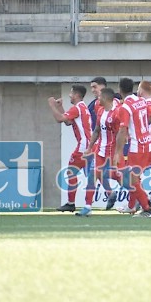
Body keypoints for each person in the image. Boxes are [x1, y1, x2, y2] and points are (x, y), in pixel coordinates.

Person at [114, 78, 151, 218]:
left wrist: (118, 152)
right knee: (134, 178)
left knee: (132, 180)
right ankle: (136, 206)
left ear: (119, 90)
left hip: (137, 146)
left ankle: (147, 209)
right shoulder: (141, 101)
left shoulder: (125, 107)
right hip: (147, 144)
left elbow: (123, 130)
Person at [48, 85, 92, 213]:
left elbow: (59, 119)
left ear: (77, 95)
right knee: (92, 175)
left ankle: (71, 203)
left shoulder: (77, 108)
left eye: (71, 93)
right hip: (88, 145)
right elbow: (68, 122)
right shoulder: (82, 107)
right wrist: (59, 107)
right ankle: (78, 203)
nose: (69, 95)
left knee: (72, 172)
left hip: (83, 147)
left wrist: (52, 105)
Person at [83, 88, 125, 215]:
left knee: (122, 177)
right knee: (92, 176)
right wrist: (90, 147)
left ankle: (141, 198)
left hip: (113, 152)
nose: (98, 99)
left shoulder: (116, 113)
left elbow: (121, 134)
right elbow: (96, 130)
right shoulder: (100, 111)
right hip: (100, 150)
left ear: (106, 98)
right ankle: (87, 207)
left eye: (100, 97)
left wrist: (118, 152)